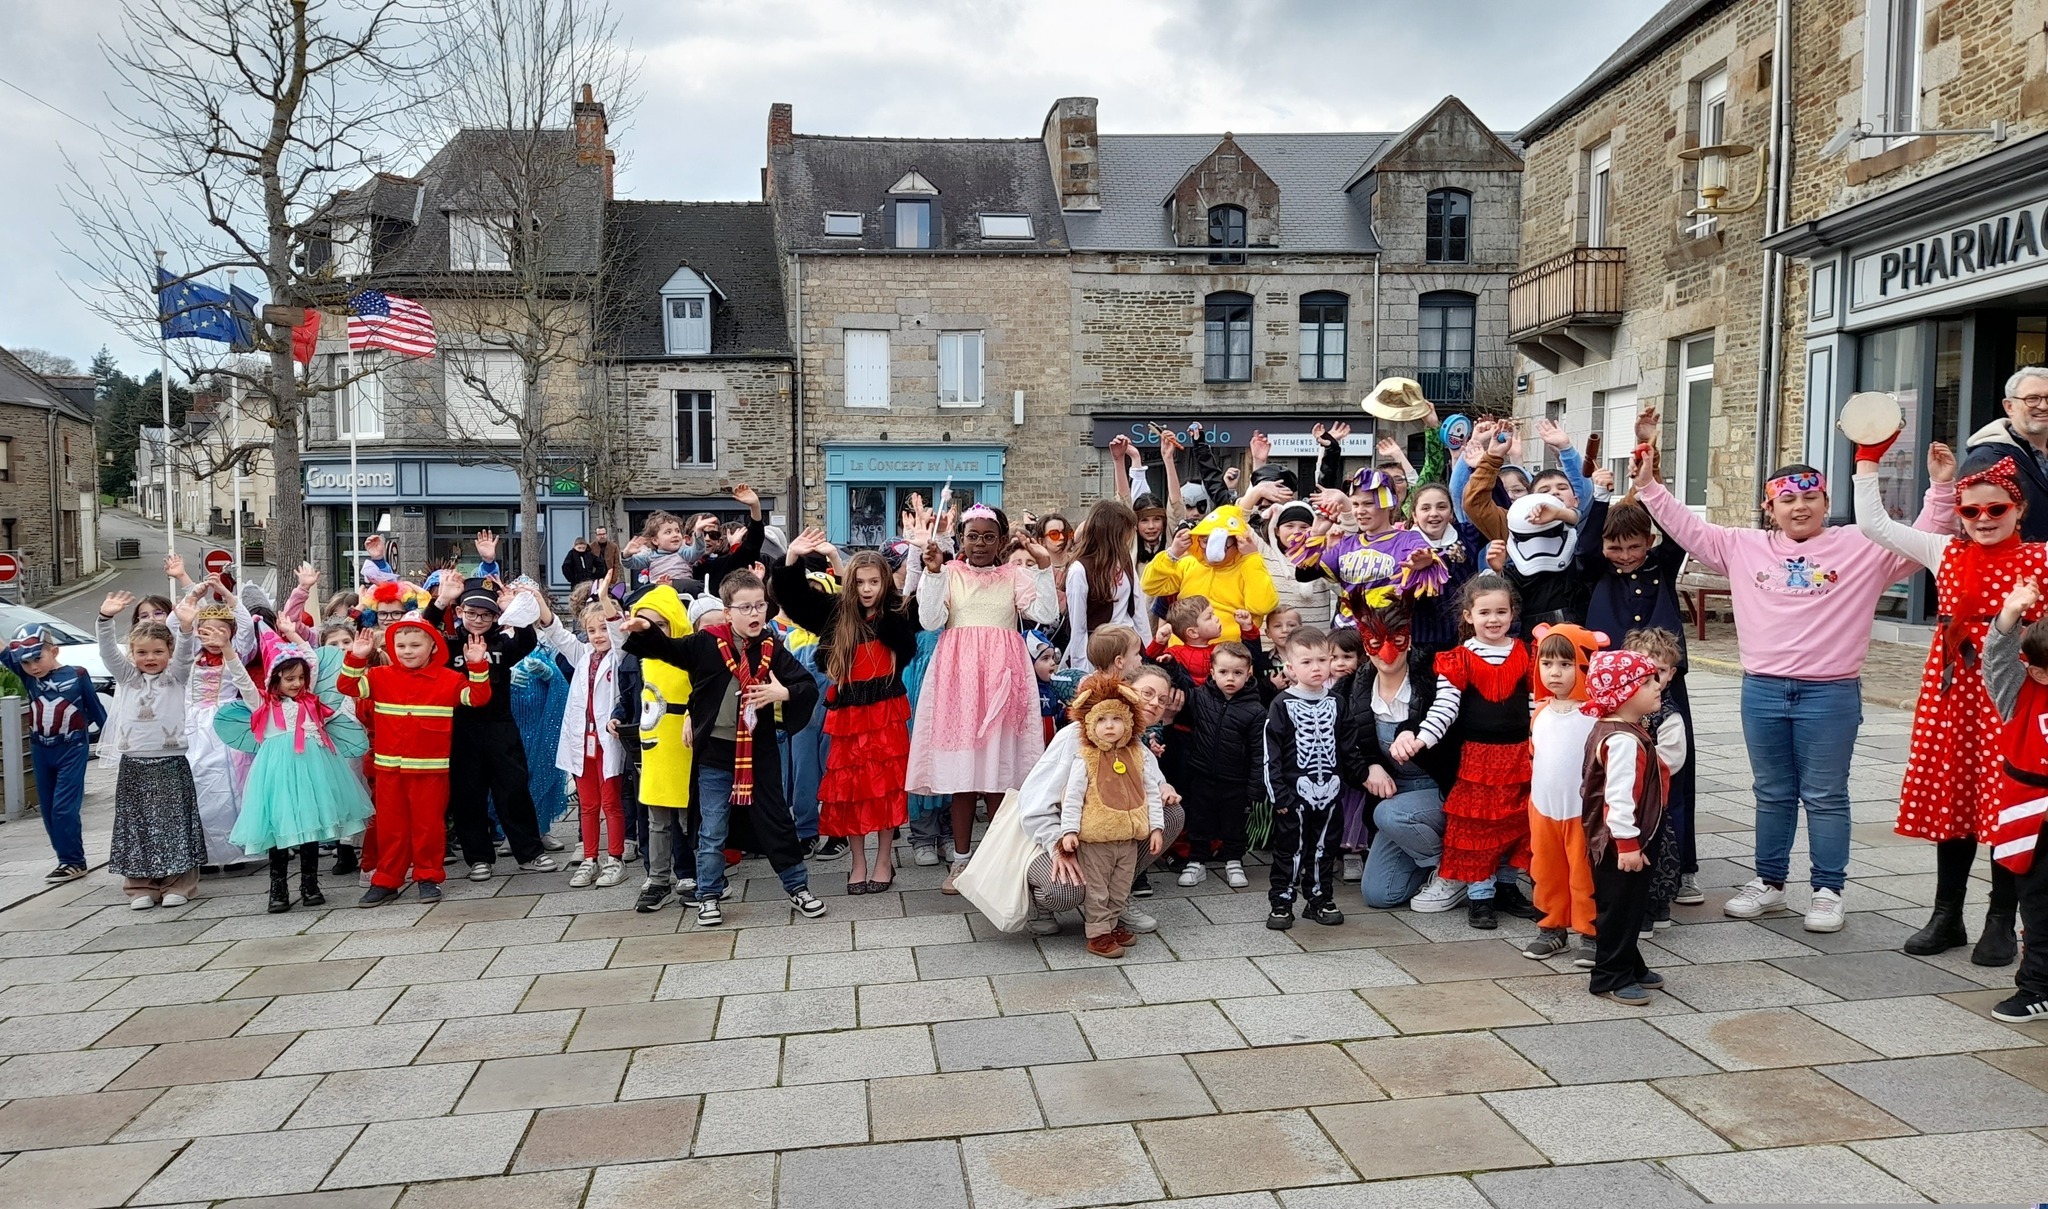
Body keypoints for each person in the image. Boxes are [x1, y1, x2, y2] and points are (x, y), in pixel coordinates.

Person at [1632, 407, 1955, 932]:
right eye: (1788, 498)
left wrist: (1940, 490)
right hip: (1761, 689)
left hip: (1830, 694)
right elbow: (1686, 527)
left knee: (1826, 794)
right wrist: (1649, 486)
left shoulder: (1862, 545)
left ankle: (1828, 890)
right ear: (1771, 508)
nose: (1799, 506)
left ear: (1827, 502)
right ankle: (1770, 882)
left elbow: (1921, 539)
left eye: (1810, 497)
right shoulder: (1742, 546)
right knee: (1772, 791)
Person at [1852, 439, 2048, 958]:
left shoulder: (2040, 557)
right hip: (1956, 694)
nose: (1984, 519)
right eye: (1971, 510)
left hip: (2013, 694)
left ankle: (2002, 919)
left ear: (2019, 509)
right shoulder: (1946, 551)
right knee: (1955, 797)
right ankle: (1947, 916)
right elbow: (1876, 527)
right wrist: (1867, 459)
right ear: (1959, 514)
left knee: (2011, 801)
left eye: (1997, 509)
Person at [622, 570, 827, 925]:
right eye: (745, 607)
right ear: (728, 612)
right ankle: (709, 895)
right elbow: (668, 649)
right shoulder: (706, 643)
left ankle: (798, 888)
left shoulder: (770, 647)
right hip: (715, 755)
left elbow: (805, 684)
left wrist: (784, 693)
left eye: (760, 605)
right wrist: (645, 631)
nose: (755, 614)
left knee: (777, 821)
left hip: (758, 754)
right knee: (712, 828)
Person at [907, 504, 1060, 893]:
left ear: (1002, 541)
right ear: (961, 539)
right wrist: (935, 573)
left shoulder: (1013, 575)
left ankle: (996, 860)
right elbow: (929, 621)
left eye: (988, 537)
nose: (979, 544)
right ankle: (961, 862)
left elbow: (1045, 611)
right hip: (960, 682)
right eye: (972, 536)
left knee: (998, 777)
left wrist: (1043, 568)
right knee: (964, 777)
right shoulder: (951, 573)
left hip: (1002, 682)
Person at [1392, 573, 1543, 928]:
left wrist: (1542, 743)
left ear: (1512, 614)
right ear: (1468, 615)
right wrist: (1421, 738)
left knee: (1518, 824)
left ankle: (1507, 886)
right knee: (1477, 830)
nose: (1493, 619)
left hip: (1520, 756)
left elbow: (1537, 703)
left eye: (1501, 612)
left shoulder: (1524, 653)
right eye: (1485, 612)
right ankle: (1480, 896)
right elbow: (1445, 707)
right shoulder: (1458, 659)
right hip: (1479, 759)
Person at [775, 533, 919, 895]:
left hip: (886, 711)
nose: (866, 589)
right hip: (849, 714)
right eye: (859, 582)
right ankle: (858, 861)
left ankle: (884, 858)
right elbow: (794, 599)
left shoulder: (896, 614)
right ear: (848, 583)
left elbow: (906, 642)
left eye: (874, 582)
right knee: (850, 791)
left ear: (885, 583)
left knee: (886, 789)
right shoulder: (836, 614)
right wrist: (792, 555)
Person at [1575, 496, 1700, 910]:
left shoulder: (1660, 565)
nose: (1625, 556)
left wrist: (1650, 486)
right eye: (1616, 547)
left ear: (1649, 541)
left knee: (1673, 777)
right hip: (1615, 693)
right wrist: (1599, 498)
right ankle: (1616, 850)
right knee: (1617, 773)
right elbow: (1587, 544)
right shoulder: (1596, 569)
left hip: (1664, 686)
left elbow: (1679, 533)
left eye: (1634, 546)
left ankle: (1680, 869)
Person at [216, 630, 375, 913]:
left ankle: (310, 884)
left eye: (300, 678)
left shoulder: (310, 700)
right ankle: (278, 888)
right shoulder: (263, 703)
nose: (297, 683)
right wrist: (228, 648)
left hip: (314, 768)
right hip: (277, 772)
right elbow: (240, 677)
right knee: (279, 827)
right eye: (289, 678)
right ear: (275, 679)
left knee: (311, 824)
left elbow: (312, 660)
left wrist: (292, 634)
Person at [338, 617, 493, 905]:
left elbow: (478, 698)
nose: (407, 651)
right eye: (401, 645)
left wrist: (477, 665)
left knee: (428, 826)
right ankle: (387, 879)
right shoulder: (379, 676)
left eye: (415, 645)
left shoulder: (449, 680)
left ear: (433, 647)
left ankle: (428, 876)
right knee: (389, 826)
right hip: (388, 770)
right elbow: (347, 686)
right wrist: (357, 656)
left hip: (429, 770)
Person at [423, 576, 559, 881]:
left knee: (513, 788)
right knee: (467, 794)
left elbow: (527, 642)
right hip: (461, 727)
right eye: (471, 613)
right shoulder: (450, 644)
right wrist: (441, 601)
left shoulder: (501, 642)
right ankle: (479, 857)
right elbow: (424, 633)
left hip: (500, 725)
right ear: (460, 612)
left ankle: (530, 852)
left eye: (486, 615)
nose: (478, 620)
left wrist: (516, 612)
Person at [1343, 601, 1459, 910]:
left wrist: (1416, 733)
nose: (1387, 654)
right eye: (1375, 643)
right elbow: (1341, 745)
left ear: (1409, 638)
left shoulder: (1435, 678)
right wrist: (1366, 769)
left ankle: (1456, 871)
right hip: (1396, 795)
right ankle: (1433, 859)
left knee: (1387, 815)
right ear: (1365, 644)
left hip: (1439, 790)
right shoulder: (1353, 688)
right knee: (1380, 894)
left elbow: (1456, 728)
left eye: (1397, 641)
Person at [96, 591, 204, 908]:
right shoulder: (128, 678)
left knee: (174, 823)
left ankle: (178, 884)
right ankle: (140, 886)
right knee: (136, 823)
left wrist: (185, 630)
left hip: (170, 761)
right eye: (142, 652)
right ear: (132, 654)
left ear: (168, 653)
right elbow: (107, 654)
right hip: (134, 763)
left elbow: (185, 655)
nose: (150, 658)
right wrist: (105, 619)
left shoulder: (176, 677)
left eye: (158, 651)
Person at [1052, 673, 1166, 958]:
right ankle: (1097, 932)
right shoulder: (1085, 757)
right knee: (1098, 890)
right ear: (1089, 725)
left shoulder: (1137, 755)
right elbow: (1073, 797)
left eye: (1116, 719)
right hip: (1097, 839)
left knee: (1120, 887)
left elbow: (1151, 791)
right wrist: (1068, 832)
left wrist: (1156, 827)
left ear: (1128, 722)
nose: (1110, 726)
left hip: (1127, 838)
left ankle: (1112, 924)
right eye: (1102, 720)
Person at [1580, 648, 1670, 1006]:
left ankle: (1630, 963)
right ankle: (1609, 976)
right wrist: (1629, 845)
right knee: (1619, 907)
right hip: (1621, 842)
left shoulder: (1619, 729)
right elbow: (1618, 798)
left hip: (1626, 837)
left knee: (1630, 905)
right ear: (1623, 693)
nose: (1658, 685)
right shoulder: (1622, 740)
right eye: (1647, 682)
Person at [1981, 579, 2048, 1020]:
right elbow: (1997, 660)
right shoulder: (2019, 691)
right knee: (2039, 905)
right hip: (2031, 817)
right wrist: (2009, 613)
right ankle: (2038, 986)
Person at [1521, 624, 1604, 962]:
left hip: (1582, 811)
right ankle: (1551, 926)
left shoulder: (1596, 716)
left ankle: (1591, 932)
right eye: (1547, 663)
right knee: (1546, 869)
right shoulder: (1539, 711)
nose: (1554, 673)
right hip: (1543, 808)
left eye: (1566, 664)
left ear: (1585, 665)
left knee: (1584, 873)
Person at [2, 624, 103, 883]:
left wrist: (113, 740)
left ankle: (73, 860)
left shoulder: (78, 675)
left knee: (63, 808)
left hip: (72, 747)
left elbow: (96, 709)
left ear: (54, 651)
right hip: (40, 749)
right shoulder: (28, 678)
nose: (33, 666)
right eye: (25, 662)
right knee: (48, 809)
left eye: (38, 658)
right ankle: (66, 860)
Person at [1264, 628, 1347, 930]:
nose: (1316, 668)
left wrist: (1355, 778)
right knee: (1290, 850)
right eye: (1307, 661)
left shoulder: (1338, 702)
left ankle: (1319, 898)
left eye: (1322, 660)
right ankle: (1282, 901)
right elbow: (1269, 754)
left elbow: (1348, 745)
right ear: (1290, 668)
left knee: (1324, 849)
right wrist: (1279, 797)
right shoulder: (1281, 704)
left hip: (1331, 793)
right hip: (1294, 794)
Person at [625, 586, 698, 912]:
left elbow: (707, 691)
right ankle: (658, 878)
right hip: (654, 749)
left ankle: (697, 874)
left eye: (660, 624)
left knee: (688, 817)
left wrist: (692, 715)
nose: (651, 631)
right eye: (644, 623)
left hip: (684, 747)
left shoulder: (689, 654)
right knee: (657, 819)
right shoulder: (643, 660)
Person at [551, 601, 630, 888]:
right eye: (591, 630)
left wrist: (607, 597)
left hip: (606, 739)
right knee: (587, 804)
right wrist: (536, 601)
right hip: (581, 740)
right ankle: (589, 857)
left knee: (611, 802)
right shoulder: (582, 655)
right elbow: (556, 633)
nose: (598, 635)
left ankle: (616, 858)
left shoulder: (620, 655)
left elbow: (619, 635)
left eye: (603, 629)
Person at [1176, 641, 1262, 889]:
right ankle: (1196, 862)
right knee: (1199, 819)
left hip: (1236, 779)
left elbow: (1259, 750)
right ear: (1212, 672)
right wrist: (1171, 668)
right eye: (1223, 672)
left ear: (1249, 673)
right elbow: (1181, 689)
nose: (1230, 678)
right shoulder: (1201, 697)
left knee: (1233, 823)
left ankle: (1234, 861)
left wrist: (1256, 787)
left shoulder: (1255, 709)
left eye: (1238, 673)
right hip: (1201, 774)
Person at [1141, 504, 1278, 644]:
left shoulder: (1248, 568)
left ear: (1237, 542)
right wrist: (1172, 554)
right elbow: (1150, 586)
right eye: (1205, 541)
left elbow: (1262, 606)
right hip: (1182, 653)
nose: (1209, 549)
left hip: (1227, 657)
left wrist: (1252, 558)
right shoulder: (1187, 564)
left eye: (1220, 543)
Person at [1063, 499, 1150, 671]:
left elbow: (1139, 612)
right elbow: (1078, 628)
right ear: (1114, 532)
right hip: (1101, 652)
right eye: (1127, 529)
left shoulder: (1125, 560)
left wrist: (1150, 653)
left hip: (1129, 647)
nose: (1131, 534)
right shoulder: (1079, 570)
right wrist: (1082, 672)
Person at [1962, 367, 2048, 540]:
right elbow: (1979, 526)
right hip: (2017, 565)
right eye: (2032, 399)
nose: (2043, 406)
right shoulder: (1988, 459)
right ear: (2009, 406)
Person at [1408, 482, 1487, 661]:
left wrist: (1486, 467)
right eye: (1425, 508)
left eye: (1442, 507)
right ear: (1414, 514)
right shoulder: (1403, 545)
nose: (1434, 513)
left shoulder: (1467, 534)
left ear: (1451, 513)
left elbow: (1497, 514)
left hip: (1467, 637)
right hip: (1421, 644)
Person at [1150, 595, 1222, 686]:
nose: (1216, 619)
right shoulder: (1175, 654)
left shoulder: (1220, 649)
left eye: (1213, 614)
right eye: (1209, 617)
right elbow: (1149, 664)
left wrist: (1245, 629)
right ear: (1192, 632)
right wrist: (1158, 643)